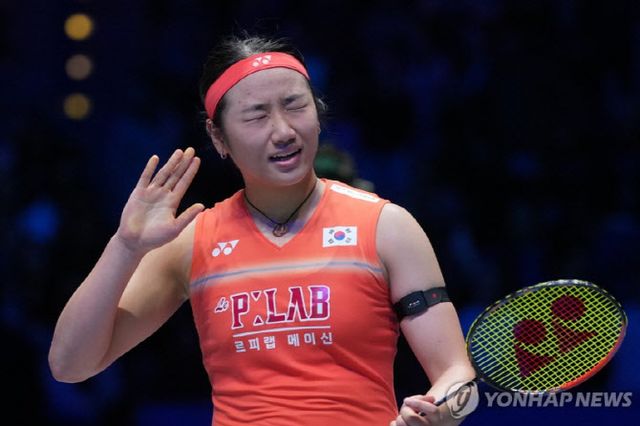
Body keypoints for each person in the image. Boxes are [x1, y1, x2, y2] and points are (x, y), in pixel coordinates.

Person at [48, 34, 475, 426]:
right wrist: (125, 246)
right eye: (256, 116)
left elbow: (459, 377)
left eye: (296, 106)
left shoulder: (386, 228)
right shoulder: (193, 242)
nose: (284, 131)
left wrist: (441, 411)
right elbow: (70, 365)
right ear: (218, 137)